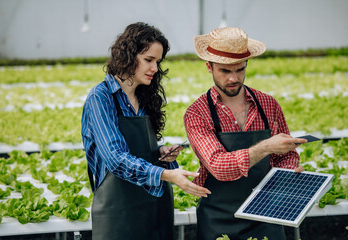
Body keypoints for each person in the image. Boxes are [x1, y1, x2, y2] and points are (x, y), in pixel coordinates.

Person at [81, 22, 210, 240]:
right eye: (148, 60)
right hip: (118, 213)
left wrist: (160, 154)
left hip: (156, 207)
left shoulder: (144, 96)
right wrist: (167, 174)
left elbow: (138, 148)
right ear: (128, 56)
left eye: (157, 62)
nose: (155, 68)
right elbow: (115, 159)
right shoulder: (101, 98)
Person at [183, 27, 307, 240]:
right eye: (225, 71)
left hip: (266, 216)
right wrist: (266, 146)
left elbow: (285, 155)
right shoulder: (198, 113)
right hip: (219, 220)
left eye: (240, 70)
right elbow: (219, 166)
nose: (233, 78)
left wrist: (288, 172)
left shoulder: (268, 104)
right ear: (209, 67)